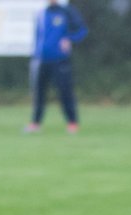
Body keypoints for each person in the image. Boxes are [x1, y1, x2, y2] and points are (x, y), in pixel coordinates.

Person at [24, 0, 88, 134]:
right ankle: (36, 123)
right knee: (39, 93)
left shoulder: (67, 11)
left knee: (65, 92)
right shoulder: (42, 13)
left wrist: (69, 38)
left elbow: (82, 30)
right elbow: (38, 36)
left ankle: (72, 123)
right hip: (41, 60)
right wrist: (36, 55)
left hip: (60, 60)